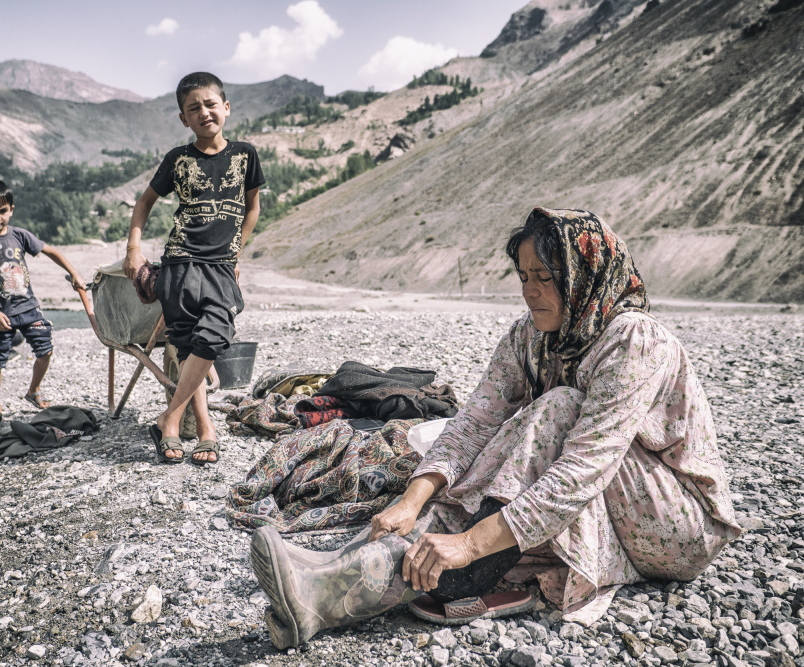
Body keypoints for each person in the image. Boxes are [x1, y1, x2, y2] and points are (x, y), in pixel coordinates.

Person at [250, 208, 741, 649]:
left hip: (675, 527)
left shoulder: (634, 339)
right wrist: (412, 500)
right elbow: (474, 423)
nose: (530, 290)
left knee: (554, 412)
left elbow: (584, 469)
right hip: (604, 496)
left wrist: (469, 544)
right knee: (473, 480)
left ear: (584, 277)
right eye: (524, 275)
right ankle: (326, 589)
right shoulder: (532, 335)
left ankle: (466, 574)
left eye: (545, 277)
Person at [123, 72, 265, 465]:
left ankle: (169, 417)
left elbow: (252, 208)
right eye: (193, 108)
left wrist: (236, 253)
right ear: (184, 119)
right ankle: (204, 428)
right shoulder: (178, 160)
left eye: (210, 104)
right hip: (181, 262)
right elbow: (144, 203)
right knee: (189, 347)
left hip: (220, 265)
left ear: (226, 108)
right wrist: (134, 249)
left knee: (216, 332)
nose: (204, 113)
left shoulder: (245, 154)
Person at [0, 178, 86, 430]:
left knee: (45, 350)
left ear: (11, 209)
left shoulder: (19, 235)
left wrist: (74, 273)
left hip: (29, 308)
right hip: (1, 315)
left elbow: (52, 251)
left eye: (2, 210)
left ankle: (33, 390)